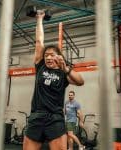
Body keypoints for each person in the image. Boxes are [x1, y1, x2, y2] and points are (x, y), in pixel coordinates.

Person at [23, 10, 84, 150]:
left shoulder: (63, 72)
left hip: (55, 118)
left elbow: (81, 82)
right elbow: (39, 41)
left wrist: (66, 69)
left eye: (52, 55)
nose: (48, 58)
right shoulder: (40, 67)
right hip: (37, 116)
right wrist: (39, 18)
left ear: (58, 57)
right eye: (46, 55)